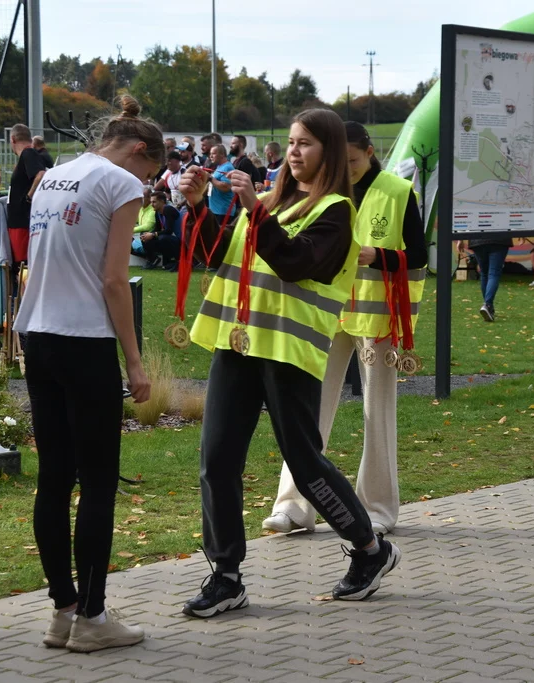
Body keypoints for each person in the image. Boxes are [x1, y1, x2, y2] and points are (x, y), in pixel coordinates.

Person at [177, 108, 401, 619]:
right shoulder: (274, 203)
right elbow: (224, 253)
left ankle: (371, 550)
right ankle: (227, 575)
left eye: (306, 144)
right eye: (292, 143)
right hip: (239, 345)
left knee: (304, 463)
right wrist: (196, 208)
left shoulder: (338, 210)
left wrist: (254, 208)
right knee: (217, 459)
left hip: (289, 353)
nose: (294, 152)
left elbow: (297, 263)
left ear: (328, 154)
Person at [13, 95, 159, 653]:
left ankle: (63, 610)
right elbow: (114, 280)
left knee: (55, 477)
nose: (146, 184)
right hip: (84, 339)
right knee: (97, 481)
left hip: (39, 333)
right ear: (138, 152)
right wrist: (136, 361)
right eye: (149, 172)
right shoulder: (120, 184)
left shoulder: (52, 176)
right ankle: (93, 618)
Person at [264, 121, 427, 536]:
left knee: (378, 412)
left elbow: (419, 258)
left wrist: (376, 255)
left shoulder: (398, 190)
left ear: (370, 152)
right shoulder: (322, 189)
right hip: (323, 312)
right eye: (343, 161)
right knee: (308, 412)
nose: (348, 168)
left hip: (376, 317)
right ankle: (294, 507)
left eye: (353, 160)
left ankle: (377, 510)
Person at [7, 123, 48, 267]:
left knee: (23, 265)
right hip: (19, 221)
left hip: (22, 221)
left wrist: (29, 197)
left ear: (12, 139)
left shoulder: (28, 153)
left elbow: (41, 174)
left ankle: (23, 289)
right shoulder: (29, 155)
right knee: (20, 264)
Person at [466, 233, 513, 321]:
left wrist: (460, 240)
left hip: (477, 240)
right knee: (493, 273)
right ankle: (488, 305)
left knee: (484, 273)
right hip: (499, 240)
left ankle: (488, 307)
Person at [139, 191, 181, 270]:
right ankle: (153, 259)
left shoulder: (168, 209)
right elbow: (157, 229)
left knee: (163, 238)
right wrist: (148, 234)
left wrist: (152, 234)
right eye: (151, 202)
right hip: (172, 240)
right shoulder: (157, 212)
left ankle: (179, 261)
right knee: (144, 235)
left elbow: (169, 230)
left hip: (182, 242)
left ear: (162, 201)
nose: (151, 204)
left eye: (154, 202)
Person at [206, 144, 236, 225]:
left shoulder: (227, 167)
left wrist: (210, 178)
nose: (210, 156)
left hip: (223, 211)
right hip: (216, 210)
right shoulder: (219, 167)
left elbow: (226, 187)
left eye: (213, 153)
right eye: (210, 154)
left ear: (222, 154)